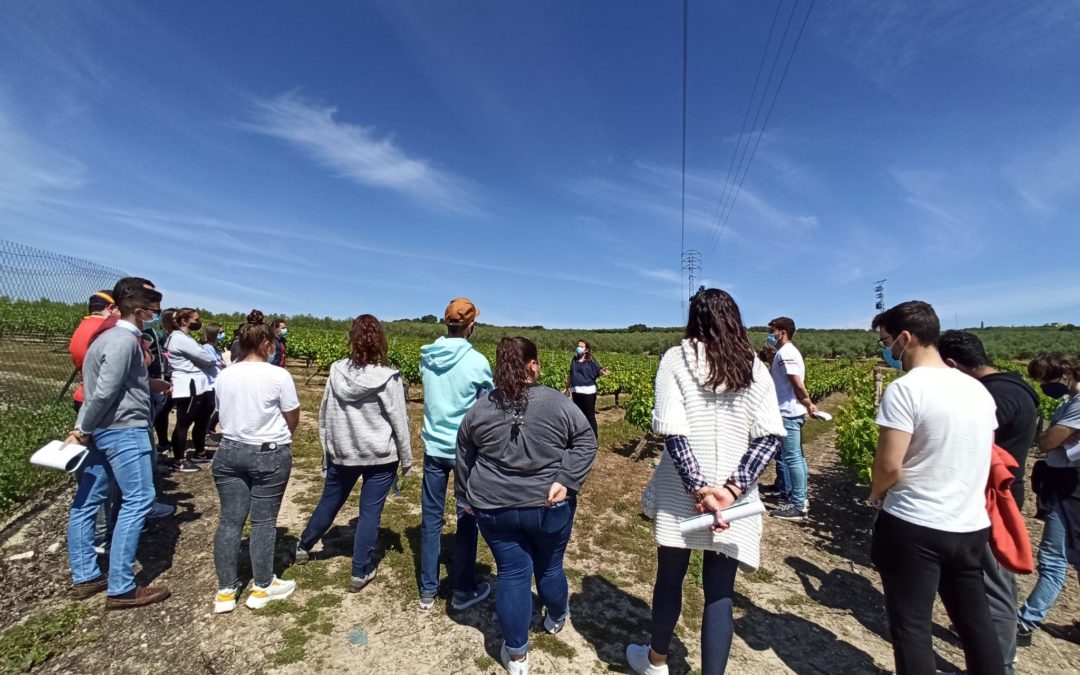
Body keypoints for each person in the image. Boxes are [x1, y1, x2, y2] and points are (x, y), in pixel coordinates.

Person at [625, 289, 785, 675]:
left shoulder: (675, 359)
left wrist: (701, 489)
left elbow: (673, 434)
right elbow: (769, 437)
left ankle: (657, 661)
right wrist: (729, 491)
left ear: (693, 319)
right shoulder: (754, 367)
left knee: (670, 577)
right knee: (719, 594)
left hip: (682, 493)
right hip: (735, 503)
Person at [870, 301, 1004, 675]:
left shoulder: (905, 390)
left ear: (905, 338)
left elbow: (888, 465)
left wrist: (875, 492)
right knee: (975, 625)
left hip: (915, 525)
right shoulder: (976, 389)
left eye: (886, 341)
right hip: (970, 525)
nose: (886, 350)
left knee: (911, 627)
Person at [457, 337, 597, 674]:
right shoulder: (557, 403)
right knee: (550, 566)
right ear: (533, 365)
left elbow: (464, 452)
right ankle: (557, 616)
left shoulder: (480, 408)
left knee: (513, 573)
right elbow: (586, 441)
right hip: (549, 504)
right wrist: (565, 479)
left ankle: (517, 656)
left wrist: (465, 496)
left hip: (494, 508)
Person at [65, 277, 171, 609]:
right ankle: (122, 586)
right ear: (138, 311)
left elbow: (105, 386)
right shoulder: (125, 342)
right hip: (124, 429)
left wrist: (147, 382)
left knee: (88, 499)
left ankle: (86, 575)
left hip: (101, 428)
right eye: (154, 310)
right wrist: (82, 428)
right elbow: (105, 391)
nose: (157, 314)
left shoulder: (103, 338)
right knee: (139, 499)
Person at [938, 330, 1039, 671]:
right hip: (996, 495)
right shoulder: (1015, 388)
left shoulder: (993, 398)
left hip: (989, 500)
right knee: (988, 583)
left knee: (992, 587)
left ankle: (999, 662)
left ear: (952, 365)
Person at [294, 315, 413, 592]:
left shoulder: (336, 371)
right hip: (380, 457)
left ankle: (304, 545)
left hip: (344, 453)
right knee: (370, 513)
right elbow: (400, 421)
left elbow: (325, 413)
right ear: (380, 341)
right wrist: (406, 459)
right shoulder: (389, 377)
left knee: (329, 502)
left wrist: (329, 447)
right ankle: (359, 572)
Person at [211, 322, 300, 613]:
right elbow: (292, 414)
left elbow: (222, 409)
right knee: (263, 521)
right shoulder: (278, 375)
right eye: (273, 342)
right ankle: (263, 586)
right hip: (268, 454)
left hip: (229, 451)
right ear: (265, 345)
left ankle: (226, 590)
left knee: (229, 520)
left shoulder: (225, 374)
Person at [418, 297, 494, 611]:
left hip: (433, 447)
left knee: (431, 520)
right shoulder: (478, 363)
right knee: (466, 518)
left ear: (445, 323)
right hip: (465, 452)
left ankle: (427, 590)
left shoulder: (427, 355)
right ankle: (462, 590)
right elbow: (484, 410)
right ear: (471, 325)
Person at [1015, 353, 1080, 646]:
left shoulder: (1078, 405)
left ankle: (1025, 622)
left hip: (1069, 489)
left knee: (1054, 558)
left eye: (1046, 378)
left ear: (1065, 373)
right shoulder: (1069, 403)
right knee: (1073, 556)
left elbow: (1047, 442)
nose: (1043, 384)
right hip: (1063, 484)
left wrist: (1052, 437)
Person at [763, 317, 817, 521]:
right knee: (796, 457)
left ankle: (797, 504)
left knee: (793, 458)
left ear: (782, 332)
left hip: (788, 413)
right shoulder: (784, 353)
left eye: (772, 330)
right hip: (790, 412)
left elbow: (796, 381)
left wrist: (807, 402)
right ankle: (799, 497)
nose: (771, 333)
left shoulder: (786, 353)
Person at [166, 308, 218, 471]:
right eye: (195, 319)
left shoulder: (185, 338)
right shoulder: (180, 339)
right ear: (184, 321)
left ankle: (199, 453)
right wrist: (208, 359)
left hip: (196, 384)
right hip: (188, 385)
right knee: (183, 423)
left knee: (201, 419)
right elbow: (207, 358)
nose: (198, 322)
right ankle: (179, 459)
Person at [564, 340, 609, 438]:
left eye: (581, 346)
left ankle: (593, 438)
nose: (578, 348)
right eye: (578, 345)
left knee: (590, 416)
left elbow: (598, 370)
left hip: (588, 392)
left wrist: (603, 371)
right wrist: (567, 388)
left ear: (586, 350)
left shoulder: (591, 360)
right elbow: (571, 375)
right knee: (579, 415)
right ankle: (581, 437)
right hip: (576, 391)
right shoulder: (574, 359)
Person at [199, 323, 227, 439]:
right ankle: (206, 431)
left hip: (216, 382)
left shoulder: (215, 347)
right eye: (220, 332)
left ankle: (207, 430)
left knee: (214, 409)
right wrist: (221, 364)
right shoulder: (207, 348)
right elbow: (211, 363)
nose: (223, 335)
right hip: (211, 383)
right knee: (215, 409)